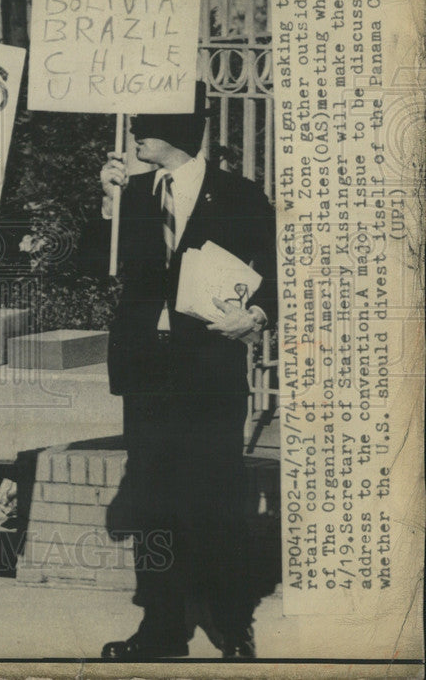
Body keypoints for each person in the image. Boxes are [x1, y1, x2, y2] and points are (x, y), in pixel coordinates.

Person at [90, 82, 277, 661]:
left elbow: (278, 269)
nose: (132, 136)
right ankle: (163, 629)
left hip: (210, 366)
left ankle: (231, 624)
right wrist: (105, 204)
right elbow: (97, 265)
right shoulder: (134, 192)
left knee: (216, 499)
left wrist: (258, 314)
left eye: (141, 126)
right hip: (149, 368)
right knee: (155, 500)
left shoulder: (239, 195)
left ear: (171, 132)